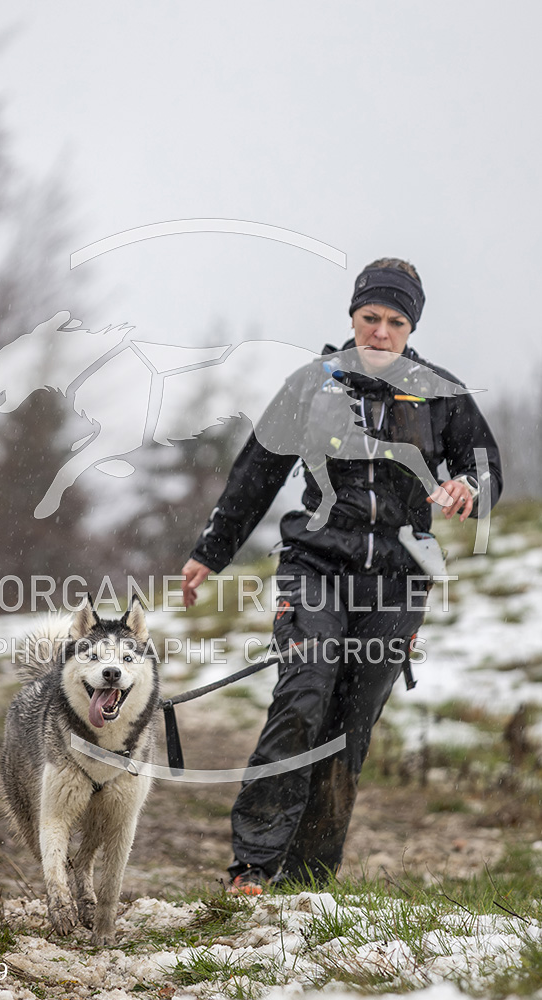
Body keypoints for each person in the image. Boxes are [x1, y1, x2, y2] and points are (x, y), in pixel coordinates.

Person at [180, 258, 503, 893]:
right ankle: (254, 865)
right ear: (353, 317)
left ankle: (308, 880)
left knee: (349, 727)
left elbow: (488, 470)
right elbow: (256, 474)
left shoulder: (440, 392)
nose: (381, 332)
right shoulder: (311, 385)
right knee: (304, 695)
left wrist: (469, 486)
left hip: (398, 580)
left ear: (411, 328)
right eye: (370, 317)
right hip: (316, 565)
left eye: (395, 322)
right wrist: (210, 554)